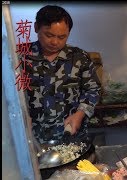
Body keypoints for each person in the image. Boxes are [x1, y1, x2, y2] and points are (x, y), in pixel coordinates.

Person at [21, 5, 101, 143]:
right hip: (31, 140)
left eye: (62, 37)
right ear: (36, 28)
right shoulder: (19, 57)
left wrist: (80, 114)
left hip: (70, 136)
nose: (55, 42)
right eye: (49, 35)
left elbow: (93, 90)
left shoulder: (79, 57)